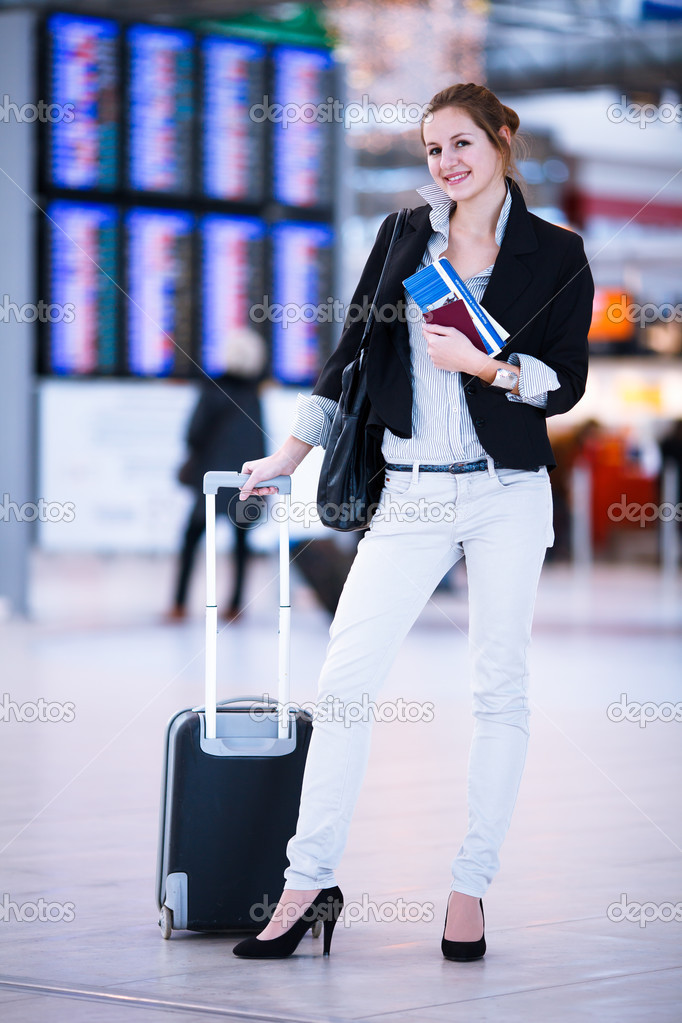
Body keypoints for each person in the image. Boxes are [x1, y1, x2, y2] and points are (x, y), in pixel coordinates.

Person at [232, 82, 594, 960]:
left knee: (497, 688)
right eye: (434, 150)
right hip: (409, 490)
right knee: (345, 684)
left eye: (464, 143)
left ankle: (469, 887)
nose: (448, 163)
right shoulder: (403, 237)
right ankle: (307, 881)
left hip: (506, 490)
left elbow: (567, 382)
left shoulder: (557, 252)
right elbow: (348, 355)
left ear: (503, 140)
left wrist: (483, 363)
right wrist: (287, 455)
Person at [166, 328, 267, 623]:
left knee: (190, 539)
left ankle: (179, 604)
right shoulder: (254, 395)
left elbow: (193, 435)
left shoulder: (211, 389)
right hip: (244, 483)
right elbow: (259, 443)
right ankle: (235, 606)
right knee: (241, 543)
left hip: (211, 481)